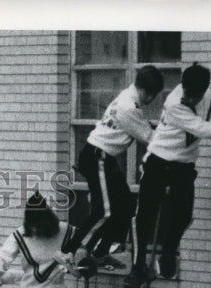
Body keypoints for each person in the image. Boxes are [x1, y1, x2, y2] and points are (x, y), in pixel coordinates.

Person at [125, 62, 211, 288]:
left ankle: (168, 253)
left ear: (204, 90)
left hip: (183, 165)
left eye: (194, 96)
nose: (190, 99)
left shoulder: (209, 95)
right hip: (158, 160)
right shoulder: (175, 103)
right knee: (145, 216)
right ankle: (138, 268)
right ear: (182, 87)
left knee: (184, 215)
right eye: (187, 93)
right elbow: (202, 129)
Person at [66, 65, 164, 269]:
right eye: (153, 97)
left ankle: (101, 252)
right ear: (147, 92)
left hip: (104, 158)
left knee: (127, 206)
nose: (151, 102)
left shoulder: (127, 95)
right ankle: (68, 251)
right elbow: (149, 138)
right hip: (97, 157)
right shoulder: (128, 108)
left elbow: (143, 128)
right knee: (103, 211)